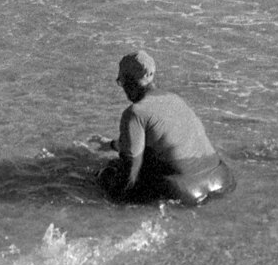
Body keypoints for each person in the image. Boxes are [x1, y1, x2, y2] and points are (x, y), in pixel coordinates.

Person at [100, 51, 234, 206]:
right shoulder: (174, 99)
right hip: (222, 179)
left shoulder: (135, 112)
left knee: (107, 174)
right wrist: (112, 145)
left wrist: (112, 193)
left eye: (121, 81)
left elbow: (130, 170)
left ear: (128, 82)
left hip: (186, 191)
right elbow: (165, 140)